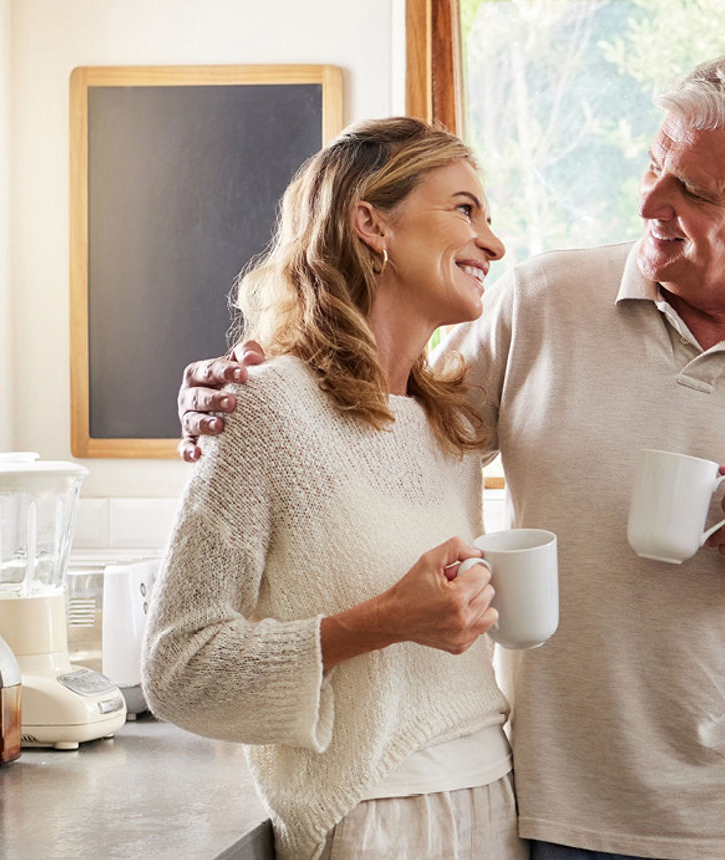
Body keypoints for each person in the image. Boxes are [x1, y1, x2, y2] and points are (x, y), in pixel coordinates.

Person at [178, 54, 725, 860]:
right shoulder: (542, 305)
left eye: (692, 191)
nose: (651, 203)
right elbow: (387, 415)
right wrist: (250, 381)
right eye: (655, 166)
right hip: (561, 820)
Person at [143, 117, 528, 860]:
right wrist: (385, 619)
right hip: (367, 818)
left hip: (490, 802)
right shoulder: (266, 406)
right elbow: (178, 669)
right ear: (370, 223)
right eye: (464, 209)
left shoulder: (449, 426)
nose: (494, 243)